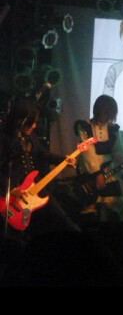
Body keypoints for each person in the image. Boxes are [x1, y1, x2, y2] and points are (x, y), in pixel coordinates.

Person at [0, 99, 81, 243]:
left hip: (35, 187)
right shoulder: (4, 139)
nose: (34, 126)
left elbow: (44, 154)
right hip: (15, 195)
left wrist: (64, 160)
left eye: (36, 122)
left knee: (61, 218)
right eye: (31, 123)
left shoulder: (30, 137)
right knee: (19, 234)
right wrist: (10, 189)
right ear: (19, 120)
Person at [73, 95, 123, 224]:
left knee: (111, 210)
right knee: (91, 212)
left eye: (109, 113)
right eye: (105, 112)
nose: (107, 116)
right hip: (89, 173)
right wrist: (97, 173)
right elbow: (88, 153)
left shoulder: (112, 129)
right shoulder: (84, 127)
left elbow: (118, 150)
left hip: (108, 172)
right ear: (98, 110)